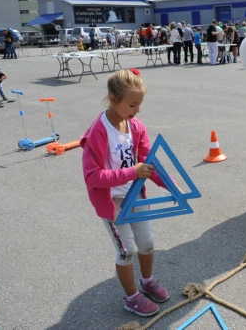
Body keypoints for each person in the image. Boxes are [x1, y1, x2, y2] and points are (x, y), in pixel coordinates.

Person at [80, 69, 172, 317]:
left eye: (140, 104)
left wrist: (170, 185)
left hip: (134, 196)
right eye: (133, 104)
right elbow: (92, 177)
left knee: (147, 243)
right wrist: (133, 172)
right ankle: (132, 297)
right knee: (126, 250)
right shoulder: (98, 132)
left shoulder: (136, 125)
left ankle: (147, 281)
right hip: (112, 202)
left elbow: (148, 164)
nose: (137, 110)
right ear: (113, 99)